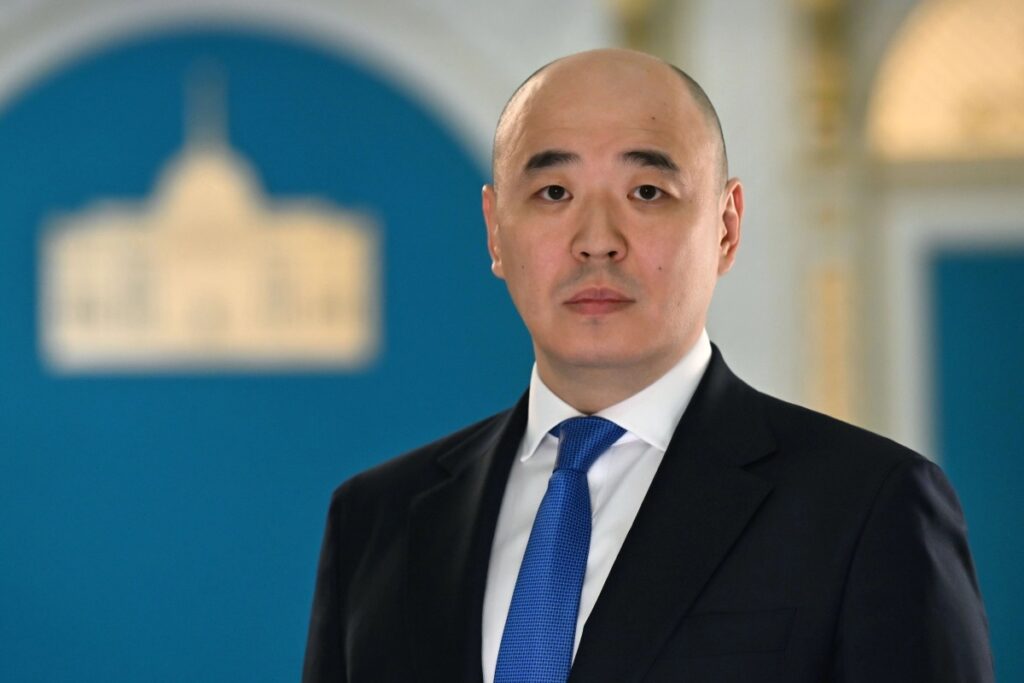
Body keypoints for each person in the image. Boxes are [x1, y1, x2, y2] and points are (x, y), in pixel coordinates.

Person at [302, 48, 993, 682]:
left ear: (726, 227)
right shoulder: (377, 520)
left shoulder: (868, 508)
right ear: (495, 232)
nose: (597, 241)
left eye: (647, 193)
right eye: (554, 193)